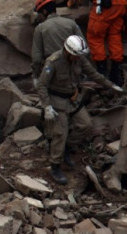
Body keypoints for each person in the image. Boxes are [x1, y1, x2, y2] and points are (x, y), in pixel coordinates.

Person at [37, 34, 122, 184]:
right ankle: (55, 166)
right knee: (60, 133)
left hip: (73, 99)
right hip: (56, 101)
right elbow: (42, 85)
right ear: (68, 52)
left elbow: (93, 74)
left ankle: (67, 148)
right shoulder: (53, 62)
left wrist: (110, 85)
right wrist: (47, 106)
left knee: (86, 125)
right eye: (75, 55)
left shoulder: (79, 59)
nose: (78, 58)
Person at [31, 0, 84, 81]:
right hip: (74, 75)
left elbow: (36, 59)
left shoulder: (40, 28)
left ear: (44, 12)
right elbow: (83, 49)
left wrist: (36, 76)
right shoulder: (71, 24)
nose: (39, 17)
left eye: (39, 13)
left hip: (53, 77)